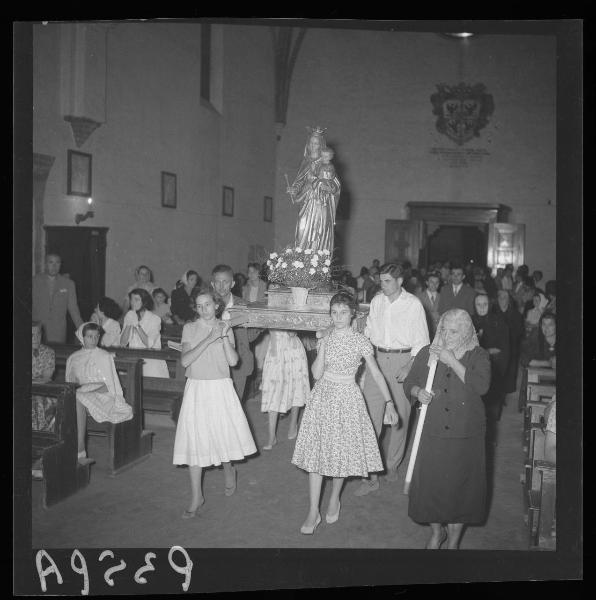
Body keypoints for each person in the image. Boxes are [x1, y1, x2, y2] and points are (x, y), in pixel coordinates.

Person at [291, 292, 398, 534]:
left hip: (348, 397)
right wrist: (324, 344)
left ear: (353, 315)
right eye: (334, 312)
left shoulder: (361, 341)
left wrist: (389, 402)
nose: (338, 317)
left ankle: (334, 498)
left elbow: (377, 374)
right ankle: (312, 511)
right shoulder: (325, 338)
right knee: (316, 455)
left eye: (343, 312)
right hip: (323, 396)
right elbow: (316, 374)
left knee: (341, 454)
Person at [403, 309, 491, 549]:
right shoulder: (427, 353)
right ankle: (436, 532)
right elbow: (410, 383)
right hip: (432, 431)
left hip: (465, 433)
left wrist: (451, 359)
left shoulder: (478, 355)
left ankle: (453, 541)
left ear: (465, 332)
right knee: (431, 486)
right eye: (443, 329)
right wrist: (417, 393)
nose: (447, 335)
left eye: (454, 331)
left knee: (459, 490)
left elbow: (481, 386)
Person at [172, 290, 257, 518]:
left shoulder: (224, 326)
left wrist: (221, 336)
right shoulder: (190, 329)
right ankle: (196, 496)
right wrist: (208, 339)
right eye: (199, 306)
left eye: (207, 305)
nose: (203, 310)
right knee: (195, 442)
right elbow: (186, 359)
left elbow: (233, 360)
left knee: (223, 435)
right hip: (197, 388)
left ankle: (229, 470)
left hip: (220, 387)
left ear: (215, 306)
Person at [355, 263, 430, 496]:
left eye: (387, 281)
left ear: (400, 282)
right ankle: (370, 475)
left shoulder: (413, 305)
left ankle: (392, 465)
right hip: (376, 359)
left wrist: (409, 366)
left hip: (403, 361)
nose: (383, 285)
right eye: (381, 280)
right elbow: (368, 331)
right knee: (369, 418)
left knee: (401, 418)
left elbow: (423, 342)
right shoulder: (377, 301)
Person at [66, 322, 133, 465]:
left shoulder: (104, 356)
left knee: (78, 398)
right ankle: (65, 448)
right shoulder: (73, 357)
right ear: (81, 337)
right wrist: (79, 386)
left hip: (103, 396)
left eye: (96, 336)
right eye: (89, 336)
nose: (94, 340)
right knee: (73, 398)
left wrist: (88, 389)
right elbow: (70, 382)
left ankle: (80, 449)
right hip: (81, 394)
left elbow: (110, 386)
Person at [286, 127, 341, 255]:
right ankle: (301, 258)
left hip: (320, 202)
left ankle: (316, 259)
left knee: (318, 231)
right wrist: (294, 188)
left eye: (316, 143)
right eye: (311, 142)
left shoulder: (326, 162)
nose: (312, 145)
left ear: (321, 145)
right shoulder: (305, 161)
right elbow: (300, 181)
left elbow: (335, 183)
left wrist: (328, 187)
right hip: (306, 201)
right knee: (302, 230)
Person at [211, 264, 262, 401]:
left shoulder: (244, 305)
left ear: (232, 283)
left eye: (225, 282)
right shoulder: (207, 305)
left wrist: (258, 325)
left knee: (235, 404)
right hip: (213, 362)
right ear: (212, 284)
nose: (221, 286)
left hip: (238, 362)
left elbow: (250, 337)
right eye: (218, 282)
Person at [260, 330, 310, 450]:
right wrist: (273, 346)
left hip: (293, 347)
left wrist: (292, 330)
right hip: (276, 344)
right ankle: (272, 437)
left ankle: (293, 424)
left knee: (296, 386)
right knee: (273, 389)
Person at [472, 293, 510, 443]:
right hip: (475, 369)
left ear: (490, 305)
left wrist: (485, 352)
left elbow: (502, 349)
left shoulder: (498, 322)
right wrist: (487, 351)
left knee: (491, 405)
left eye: (485, 304)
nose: (481, 308)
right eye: (478, 305)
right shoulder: (470, 321)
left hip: (495, 368)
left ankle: (489, 438)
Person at [32, 253, 84, 343]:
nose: (54, 266)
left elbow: (74, 310)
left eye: (57, 263)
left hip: (58, 331)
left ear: (61, 265)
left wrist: (84, 330)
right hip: (36, 331)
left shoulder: (68, 284)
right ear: (45, 264)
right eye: (51, 262)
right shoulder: (34, 281)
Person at [120, 288, 169, 377]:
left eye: (136, 299)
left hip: (151, 364)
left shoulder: (155, 319)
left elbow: (149, 343)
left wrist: (137, 325)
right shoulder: (129, 315)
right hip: (134, 362)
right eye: (131, 299)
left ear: (144, 301)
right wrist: (128, 324)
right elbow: (123, 343)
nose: (132, 302)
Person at [496, 290, 524, 394]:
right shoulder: (492, 312)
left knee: (509, 371)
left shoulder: (516, 314)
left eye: (504, 297)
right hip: (495, 347)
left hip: (511, 346)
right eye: (500, 297)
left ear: (509, 300)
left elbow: (519, 332)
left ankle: (506, 391)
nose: (502, 299)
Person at [417, 271, 441, 338]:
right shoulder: (419, 297)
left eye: (437, 282)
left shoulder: (442, 297)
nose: (434, 284)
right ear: (427, 282)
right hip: (423, 331)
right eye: (431, 282)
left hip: (438, 332)